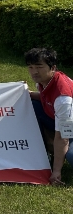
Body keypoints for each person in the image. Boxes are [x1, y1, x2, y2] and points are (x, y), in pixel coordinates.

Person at [26, 48, 73, 184]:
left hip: (69, 128)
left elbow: (63, 136)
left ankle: (52, 154)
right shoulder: (46, 81)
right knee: (31, 104)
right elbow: (44, 97)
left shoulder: (63, 98)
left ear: (53, 68)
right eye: (31, 67)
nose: (34, 72)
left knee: (71, 156)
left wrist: (56, 171)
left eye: (39, 67)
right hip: (61, 119)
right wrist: (28, 94)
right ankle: (41, 151)